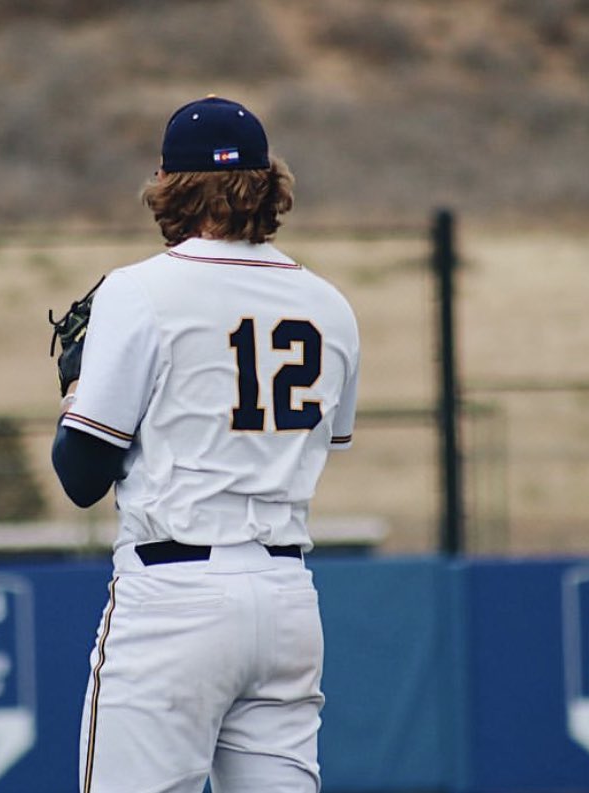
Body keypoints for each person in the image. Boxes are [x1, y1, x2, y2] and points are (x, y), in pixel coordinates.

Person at [50, 96, 360, 793]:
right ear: (268, 184)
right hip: (285, 596)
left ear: (168, 185)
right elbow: (323, 438)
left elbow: (81, 475)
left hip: (175, 594)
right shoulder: (330, 305)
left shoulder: (140, 292)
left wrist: (75, 394)